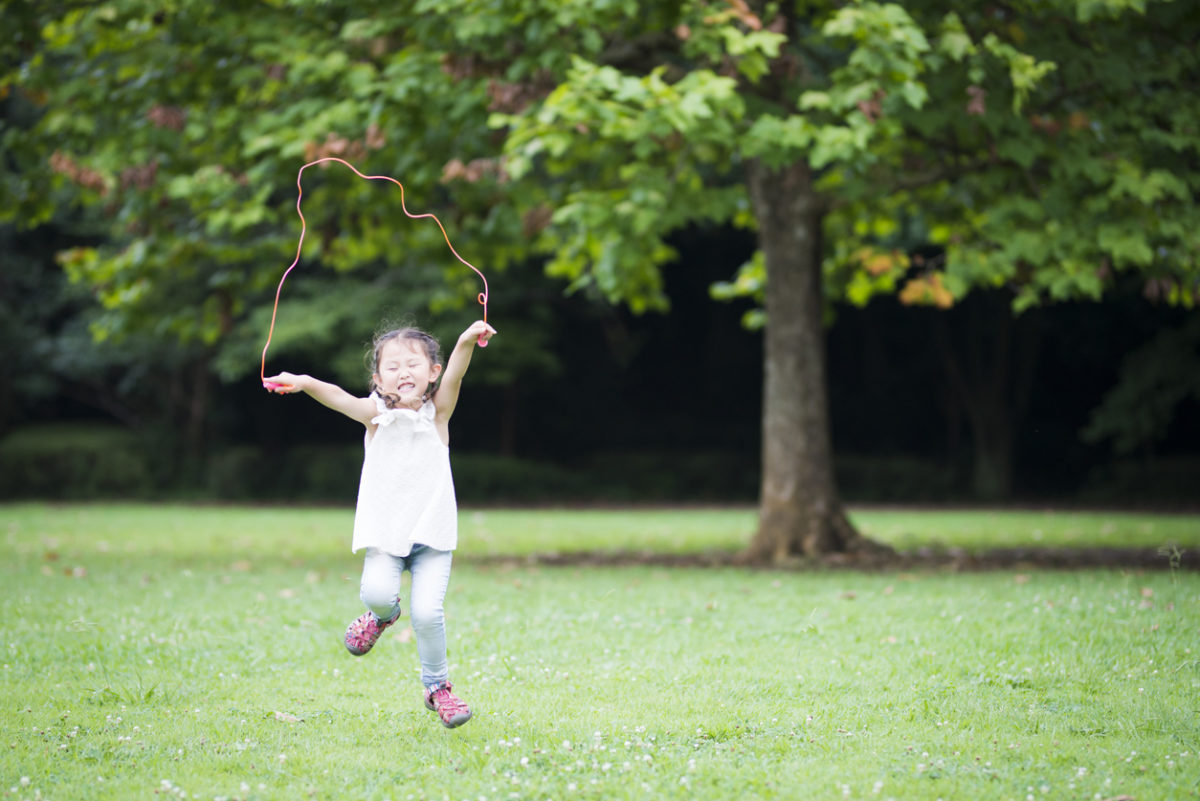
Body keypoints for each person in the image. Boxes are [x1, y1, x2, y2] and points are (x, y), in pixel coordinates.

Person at [265, 319, 496, 728]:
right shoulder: (375, 417)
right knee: (376, 593)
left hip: (432, 537)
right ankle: (383, 616)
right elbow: (337, 397)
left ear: (432, 373)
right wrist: (303, 381)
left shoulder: (437, 415)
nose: (403, 372)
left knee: (428, 614)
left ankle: (437, 688)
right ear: (377, 378)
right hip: (387, 537)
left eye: (412, 364)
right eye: (392, 366)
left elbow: (459, 372)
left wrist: (465, 340)